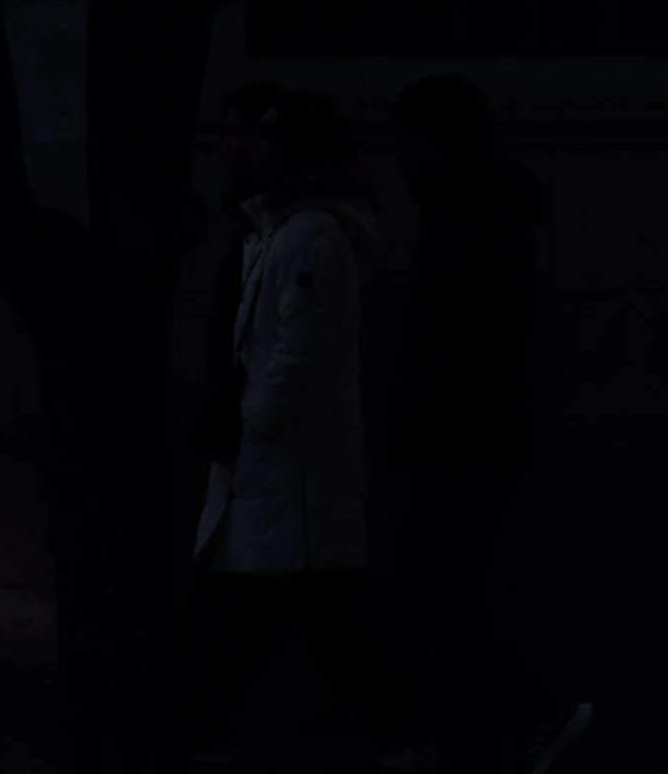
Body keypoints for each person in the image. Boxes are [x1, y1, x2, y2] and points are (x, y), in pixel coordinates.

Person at [383, 74, 588, 774]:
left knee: (438, 589)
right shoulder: (480, 211)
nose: (396, 153)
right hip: (472, 432)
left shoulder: (465, 218)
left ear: (436, 140)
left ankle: (509, 720)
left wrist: (411, 418)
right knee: (446, 589)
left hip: (461, 434)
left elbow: (454, 337)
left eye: (406, 138)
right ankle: (494, 725)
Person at [185, 87, 378, 766]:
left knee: (277, 604)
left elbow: (302, 349)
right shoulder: (281, 233)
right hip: (276, 465)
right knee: (303, 604)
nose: (250, 149)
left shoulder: (308, 237)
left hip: (286, 463)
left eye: (268, 137)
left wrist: (256, 417)